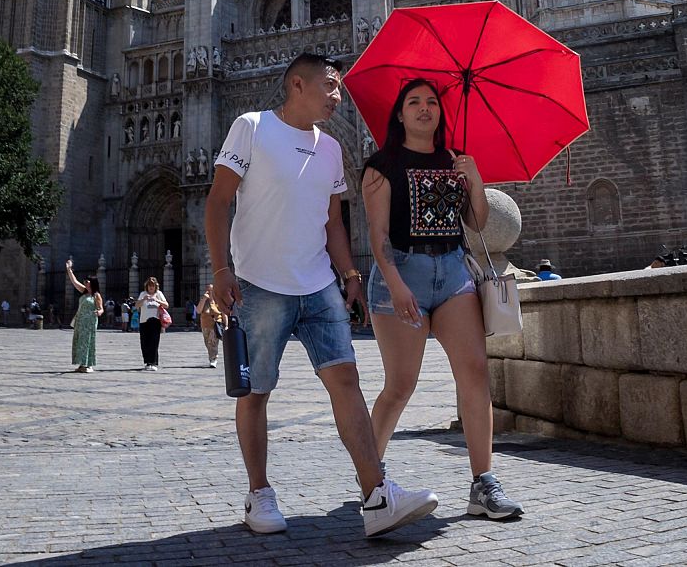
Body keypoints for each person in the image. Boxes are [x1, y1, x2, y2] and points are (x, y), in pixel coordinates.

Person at [206, 52, 438, 538]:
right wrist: (222, 270)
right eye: (331, 86)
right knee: (256, 391)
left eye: (339, 88)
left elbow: (333, 221)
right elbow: (218, 201)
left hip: (318, 285)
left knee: (346, 380)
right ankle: (259, 493)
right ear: (297, 84)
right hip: (260, 285)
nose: (338, 96)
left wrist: (349, 274)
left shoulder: (330, 148)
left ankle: (376, 495)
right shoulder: (251, 127)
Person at [359, 78, 524, 521]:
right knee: (401, 385)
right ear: (400, 114)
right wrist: (396, 285)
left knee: (475, 373)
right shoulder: (381, 166)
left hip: (453, 271)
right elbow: (377, 235)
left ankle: (483, 483)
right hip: (402, 271)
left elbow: (477, 222)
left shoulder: (455, 160)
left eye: (431, 101)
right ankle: (371, 479)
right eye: (413, 101)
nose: (424, 108)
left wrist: (475, 181)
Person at [65, 258, 104, 372]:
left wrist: (99, 312)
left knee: (88, 341)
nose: (85, 283)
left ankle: (89, 365)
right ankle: (82, 364)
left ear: (92, 282)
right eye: (85, 281)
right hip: (80, 321)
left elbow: (101, 308)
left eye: (87, 281)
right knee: (79, 342)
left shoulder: (96, 295)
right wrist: (69, 269)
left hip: (90, 322)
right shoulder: (84, 291)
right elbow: (74, 281)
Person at [135, 276, 169, 370]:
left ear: (155, 286)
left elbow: (166, 305)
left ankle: (153, 362)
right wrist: (143, 299)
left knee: (154, 342)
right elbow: (137, 305)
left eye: (153, 286)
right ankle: (147, 362)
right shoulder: (143, 294)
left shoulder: (159, 294)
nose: (151, 287)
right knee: (144, 342)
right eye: (149, 285)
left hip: (155, 320)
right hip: (144, 321)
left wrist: (157, 300)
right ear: (147, 286)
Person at [197, 283, 226, 367]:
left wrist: (226, 325)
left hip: (216, 324)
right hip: (205, 325)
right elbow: (198, 311)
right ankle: (212, 357)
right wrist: (203, 299)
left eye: (211, 290)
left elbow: (224, 313)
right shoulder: (204, 300)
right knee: (207, 343)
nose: (209, 292)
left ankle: (213, 359)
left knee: (213, 342)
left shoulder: (218, 300)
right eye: (208, 290)